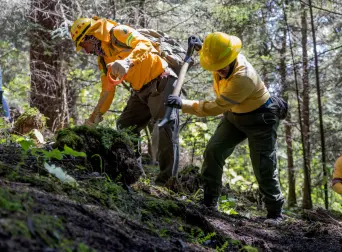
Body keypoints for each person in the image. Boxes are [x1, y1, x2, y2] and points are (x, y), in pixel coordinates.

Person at [165, 32, 284, 222]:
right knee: (213, 151)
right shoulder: (223, 56)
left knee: (263, 166)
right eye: (215, 67)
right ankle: (210, 202)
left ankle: (275, 213)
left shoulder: (243, 78)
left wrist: (183, 104)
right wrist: (202, 47)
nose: (218, 71)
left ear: (231, 59)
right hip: (234, 116)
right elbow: (216, 54)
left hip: (260, 119)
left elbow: (215, 107)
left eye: (221, 67)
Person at [70, 17, 179, 186]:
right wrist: (94, 117)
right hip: (140, 90)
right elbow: (107, 89)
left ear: (92, 36)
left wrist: (127, 61)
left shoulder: (119, 32)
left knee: (164, 128)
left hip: (161, 81)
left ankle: (167, 183)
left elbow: (144, 44)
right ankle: (135, 175)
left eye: (83, 45)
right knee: (125, 125)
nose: (85, 51)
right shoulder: (103, 59)